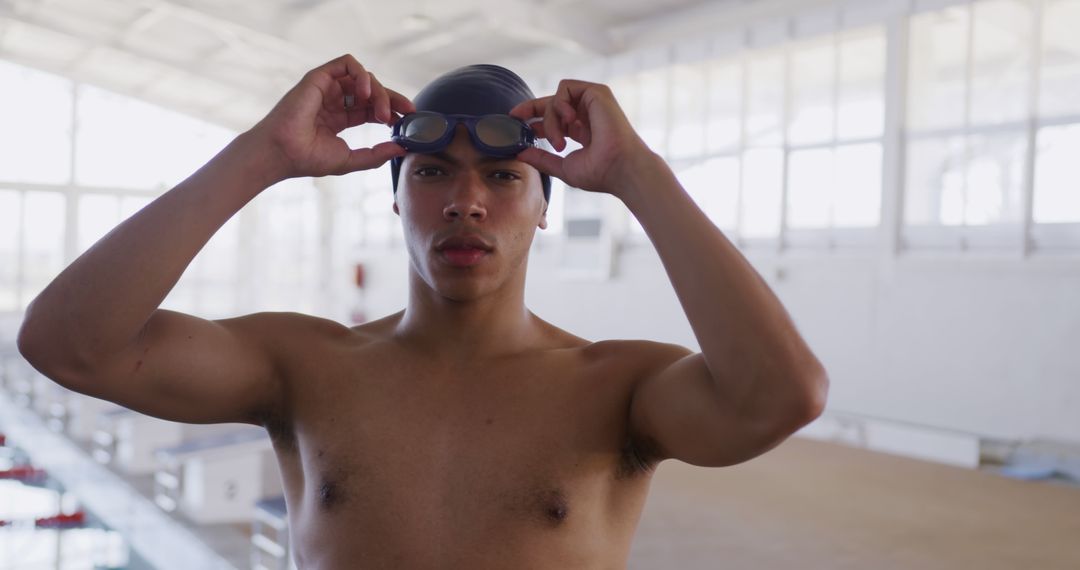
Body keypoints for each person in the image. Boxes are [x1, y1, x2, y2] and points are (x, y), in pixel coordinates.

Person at [17, 54, 829, 568]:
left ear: (546, 204)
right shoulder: (305, 367)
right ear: (396, 196)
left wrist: (639, 174)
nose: (465, 202)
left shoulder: (615, 386)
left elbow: (784, 395)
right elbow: (69, 345)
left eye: (505, 177)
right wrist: (263, 155)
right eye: (433, 171)